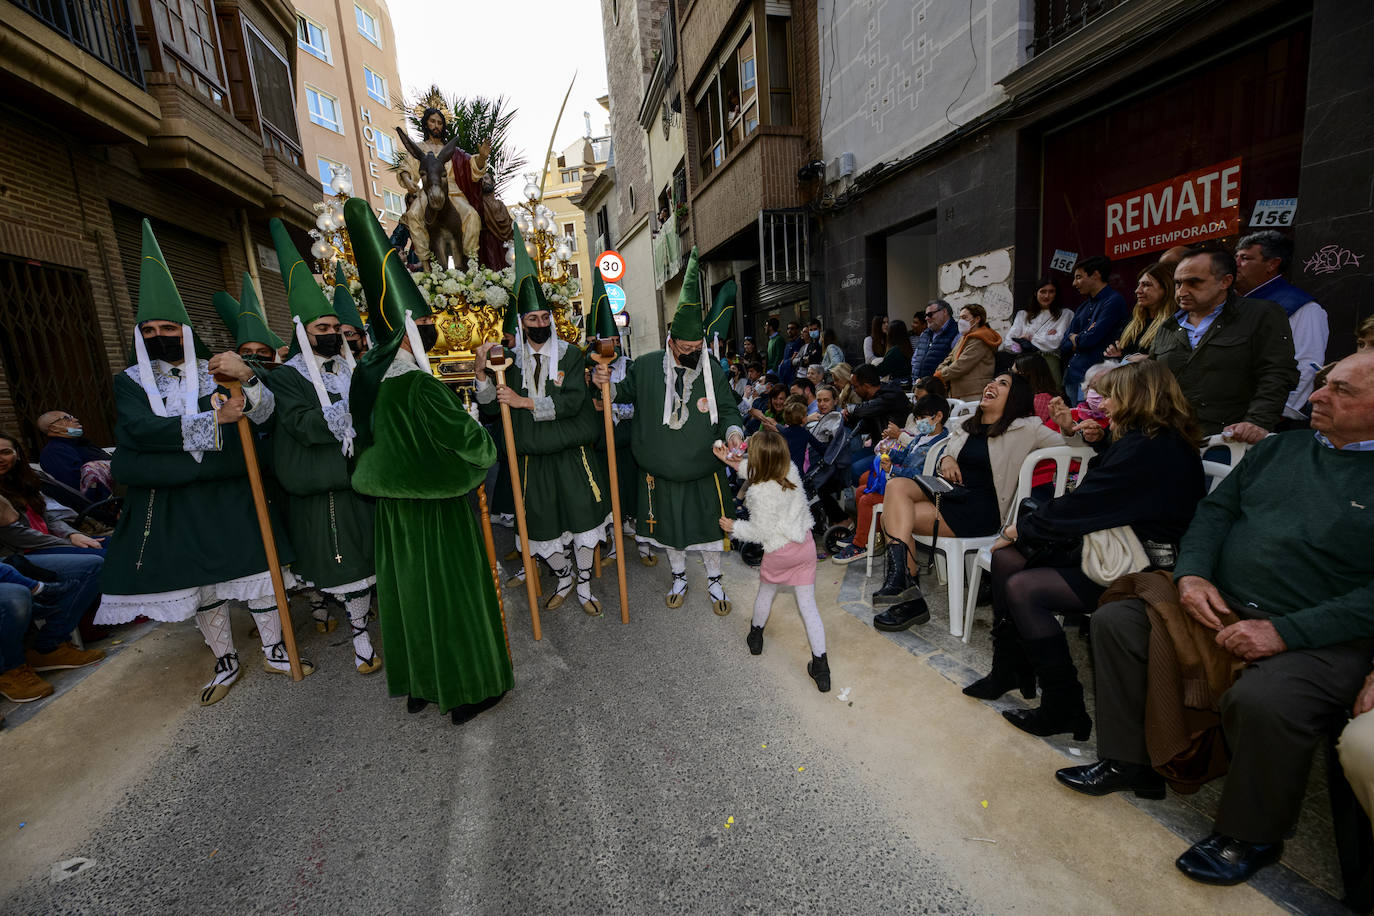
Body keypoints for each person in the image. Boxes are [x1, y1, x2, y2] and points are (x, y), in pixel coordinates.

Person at [1056, 350, 1374, 888]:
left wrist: (1284, 632)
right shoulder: (1282, 450)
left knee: (1264, 699)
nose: (1317, 397)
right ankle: (1130, 761)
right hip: (1219, 601)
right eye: (1323, 384)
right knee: (1118, 621)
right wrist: (1194, 575)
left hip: (1324, 634)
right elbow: (1216, 512)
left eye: (1342, 391)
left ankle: (1252, 834)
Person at [95, 220, 305, 707]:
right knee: (201, 583)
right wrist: (217, 423)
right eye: (150, 330)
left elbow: (266, 414)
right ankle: (225, 657)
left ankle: (275, 646)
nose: (160, 336)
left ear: (186, 332)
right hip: (176, 505)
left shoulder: (219, 367)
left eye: (169, 328)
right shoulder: (128, 381)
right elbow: (136, 432)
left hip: (230, 494)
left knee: (254, 571)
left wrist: (248, 379)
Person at [967, 361, 1206, 742]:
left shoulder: (1148, 448)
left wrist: (1017, 528)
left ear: (1135, 398)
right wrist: (1100, 441)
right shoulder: (1152, 440)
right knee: (1007, 558)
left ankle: (1064, 704)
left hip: (1139, 567)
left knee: (1024, 586)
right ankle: (1010, 668)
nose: (1103, 404)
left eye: (1111, 396)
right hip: (1120, 546)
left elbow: (1086, 504)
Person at [343, 197, 511, 724]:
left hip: (394, 518)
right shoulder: (420, 388)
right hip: (439, 515)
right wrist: (480, 445)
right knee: (453, 599)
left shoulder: (366, 387)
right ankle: (468, 689)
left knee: (408, 598)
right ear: (409, 334)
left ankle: (420, 683)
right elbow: (476, 446)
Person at [593, 248, 745, 615]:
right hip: (657, 476)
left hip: (703, 472)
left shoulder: (712, 369)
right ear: (671, 341)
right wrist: (601, 382)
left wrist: (736, 434)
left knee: (710, 531)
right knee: (670, 532)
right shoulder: (645, 368)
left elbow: (727, 410)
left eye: (699, 347)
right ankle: (679, 576)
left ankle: (713, 580)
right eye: (687, 348)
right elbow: (612, 398)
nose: (695, 353)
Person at [263, 219, 379, 673]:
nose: (332, 333)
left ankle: (372, 622)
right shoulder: (287, 376)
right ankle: (360, 640)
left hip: (366, 481)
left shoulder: (357, 368)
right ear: (303, 331)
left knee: (374, 560)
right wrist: (351, 415)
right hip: (325, 488)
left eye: (336, 326)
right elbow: (301, 423)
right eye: (321, 327)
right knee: (345, 567)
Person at [871, 373, 1077, 631]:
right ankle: (904, 585)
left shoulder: (1028, 427)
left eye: (1003, 384)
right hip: (949, 495)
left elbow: (1073, 450)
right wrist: (947, 460)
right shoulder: (967, 423)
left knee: (895, 514)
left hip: (980, 510)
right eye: (992, 381)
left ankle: (908, 592)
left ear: (1015, 397)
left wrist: (1068, 428)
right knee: (896, 489)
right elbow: (946, 449)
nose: (991, 385)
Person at [476, 233, 611, 617]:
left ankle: (585, 585)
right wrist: (481, 375)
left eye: (545, 317)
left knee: (585, 522)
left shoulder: (571, 354)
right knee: (540, 529)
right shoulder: (508, 360)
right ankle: (565, 575)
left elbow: (573, 401)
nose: (540, 323)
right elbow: (490, 408)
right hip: (532, 462)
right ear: (521, 322)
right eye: (533, 318)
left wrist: (525, 401)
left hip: (573, 455)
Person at [715, 429, 829, 692]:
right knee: (808, 607)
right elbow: (759, 470)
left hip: (779, 552)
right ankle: (821, 669)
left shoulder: (758, 493)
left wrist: (733, 527)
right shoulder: (790, 470)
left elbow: (760, 532)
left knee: (766, 593)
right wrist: (730, 461)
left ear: (756, 460)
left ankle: (756, 636)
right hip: (805, 546)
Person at [1150, 248, 1298, 440]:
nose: (1182, 291)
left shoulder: (1260, 315)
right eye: (1178, 283)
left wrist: (1256, 422)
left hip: (1230, 440)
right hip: (1171, 438)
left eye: (1194, 282)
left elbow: (1277, 373)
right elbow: (1151, 381)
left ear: (1225, 281)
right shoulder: (1167, 327)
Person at [831, 395, 949, 565]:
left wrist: (893, 469)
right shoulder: (921, 437)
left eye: (922, 418)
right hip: (903, 481)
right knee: (861, 489)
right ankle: (869, 535)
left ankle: (861, 544)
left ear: (938, 417)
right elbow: (906, 455)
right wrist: (891, 454)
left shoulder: (938, 445)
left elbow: (920, 473)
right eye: (917, 419)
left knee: (867, 499)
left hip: (913, 490)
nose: (919, 423)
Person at [1234, 230, 1329, 428]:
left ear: (1272, 264)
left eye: (1245, 258)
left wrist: (1279, 412)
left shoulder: (1303, 307)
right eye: (1236, 257)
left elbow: (1306, 364)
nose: (1236, 264)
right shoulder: (1233, 304)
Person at [0, 557, 101, 702]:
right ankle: (10, 669)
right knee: (17, 597)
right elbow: (17, 535)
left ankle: (49, 646)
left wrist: (70, 535)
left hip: (38, 544)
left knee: (94, 566)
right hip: (27, 545)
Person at [1060, 256, 1129, 403]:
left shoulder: (1113, 301)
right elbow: (1064, 343)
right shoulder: (1083, 307)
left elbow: (1090, 339)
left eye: (1078, 277)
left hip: (1097, 381)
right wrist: (1081, 337)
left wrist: (1077, 338)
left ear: (1096, 275)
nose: (1074, 283)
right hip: (1073, 376)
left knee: (1093, 423)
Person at [841, 364, 913, 484]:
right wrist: (847, 418)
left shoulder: (891, 395)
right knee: (846, 463)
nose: (854, 390)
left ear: (867, 386)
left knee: (855, 470)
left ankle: (871, 493)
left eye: (855, 387)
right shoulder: (873, 397)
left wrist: (848, 409)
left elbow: (864, 409)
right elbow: (864, 425)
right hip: (877, 445)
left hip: (894, 449)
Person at [1002, 279, 1073, 383]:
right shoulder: (1023, 315)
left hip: (1049, 362)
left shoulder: (1066, 314)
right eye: (1043, 291)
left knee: (1050, 394)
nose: (1047, 296)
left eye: (1051, 291)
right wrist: (1020, 347)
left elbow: (1057, 342)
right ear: (1036, 293)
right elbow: (1009, 341)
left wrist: (1028, 338)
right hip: (1025, 363)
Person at [36, 410, 113, 503]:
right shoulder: (55, 452)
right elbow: (78, 486)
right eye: (67, 418)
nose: (75, 420)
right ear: (54, 428)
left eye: (72, 417)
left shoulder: (81, 443)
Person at [1106, 261, 1175, 360]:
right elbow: (1118, 350)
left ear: (1166, 288)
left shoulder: (1175, 323)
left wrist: (1148, 359)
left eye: (1146, 285)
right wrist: (1118, 355)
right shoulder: (1133, 319)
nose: (1137, 290)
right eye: (1139, 285)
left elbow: (1173, 360)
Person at [935, 304, 1001, 399]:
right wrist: (939, 371)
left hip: (973, 394)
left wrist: (941, 375)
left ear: (977, 319)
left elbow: (961, 365)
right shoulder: (964, 337)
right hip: (959, 392)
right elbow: (950, 358)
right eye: (960, 318)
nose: (961, 321)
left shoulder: (980, 339)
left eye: (964, 317)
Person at [914, 300, 959, 379]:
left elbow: (955, 363)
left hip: (941, 386)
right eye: (926, 315)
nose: (926, 318)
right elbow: (915, 358)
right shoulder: (925, 334)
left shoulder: (957, 332)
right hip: (920, 385)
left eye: (930, 314)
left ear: (944, 312)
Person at [778, 400, 822, 473]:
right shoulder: (804, 433)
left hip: (782, 468)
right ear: (803, 418)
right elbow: (819, 447)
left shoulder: (782, 432)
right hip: (797, 471)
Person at [875, 319, 914, 384]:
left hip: (897, 383)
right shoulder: (906, 347)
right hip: (906, 382)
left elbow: (882, 370)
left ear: (891, 334)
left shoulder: (895, 350)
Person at [779, 321, 803, 386]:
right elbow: (784, 359)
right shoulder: (788, 344)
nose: (789, 331)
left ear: (797, 330)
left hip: (793, 376)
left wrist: (787, 361)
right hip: (785, 375)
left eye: (792, 328)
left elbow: (794, 359)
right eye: (788, 329)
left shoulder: (799, 342)